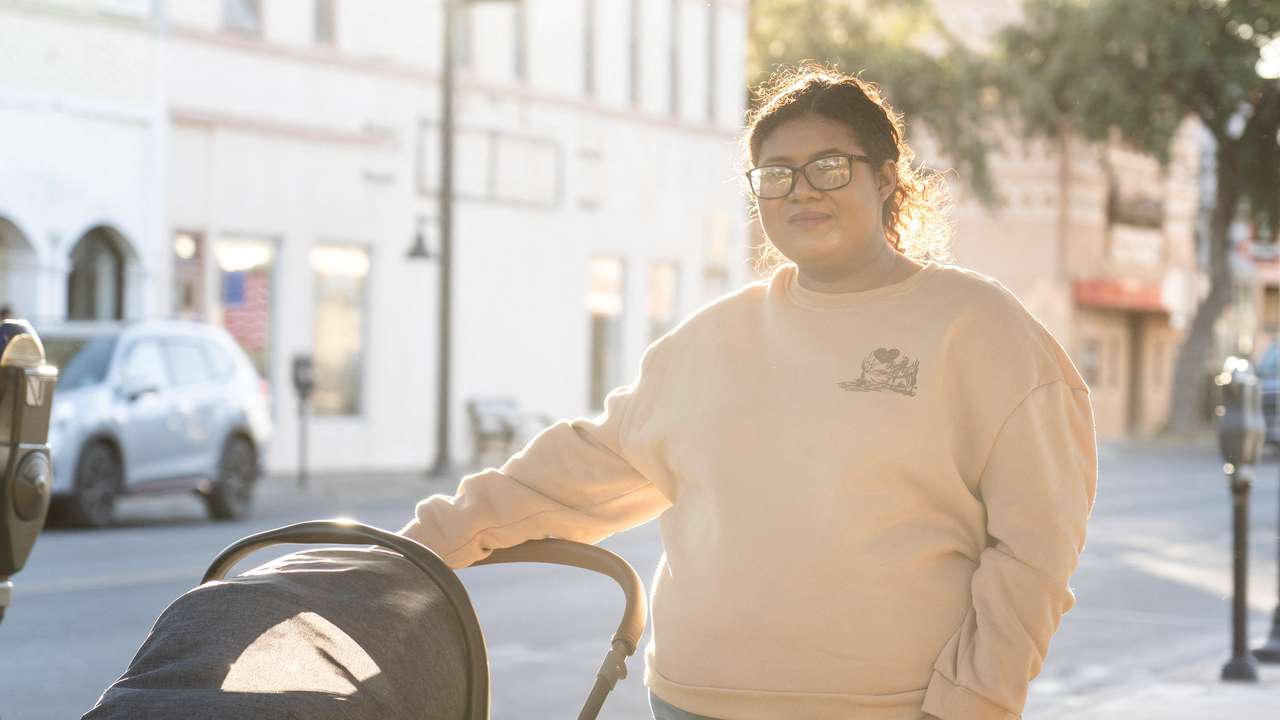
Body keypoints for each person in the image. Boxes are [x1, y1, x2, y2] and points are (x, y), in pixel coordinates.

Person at [399, 64, 1097, 720]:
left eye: (829, 167)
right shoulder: (711, 340)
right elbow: (572, 476)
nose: (801, 190)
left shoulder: (982, 330)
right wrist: (408, 552)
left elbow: (1035, 551)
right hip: (689, 702)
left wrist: (975, 701)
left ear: (887, 179)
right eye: (776, 174)